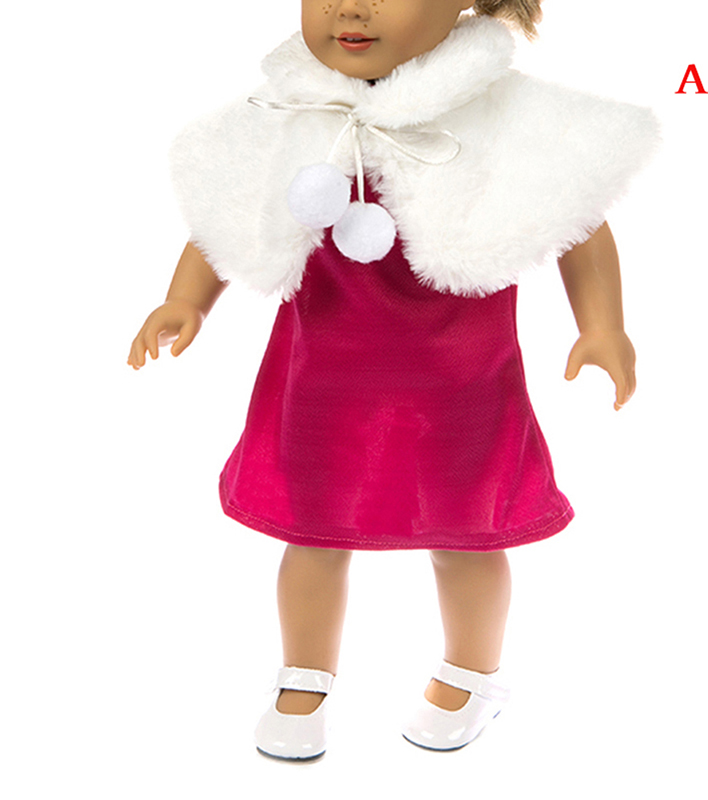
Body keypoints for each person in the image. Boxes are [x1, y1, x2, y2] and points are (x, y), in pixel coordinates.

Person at [129, 0, 659, 760]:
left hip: (461, 377)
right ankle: (304, 675)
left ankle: (471, 675)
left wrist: (602, 325)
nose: (351, 7)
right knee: (312, 531)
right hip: (322, 373)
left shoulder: (501, 113)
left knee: (468, 534)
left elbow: (579, 218)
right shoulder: (292, 107)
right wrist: (185, 300)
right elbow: (229, 212)